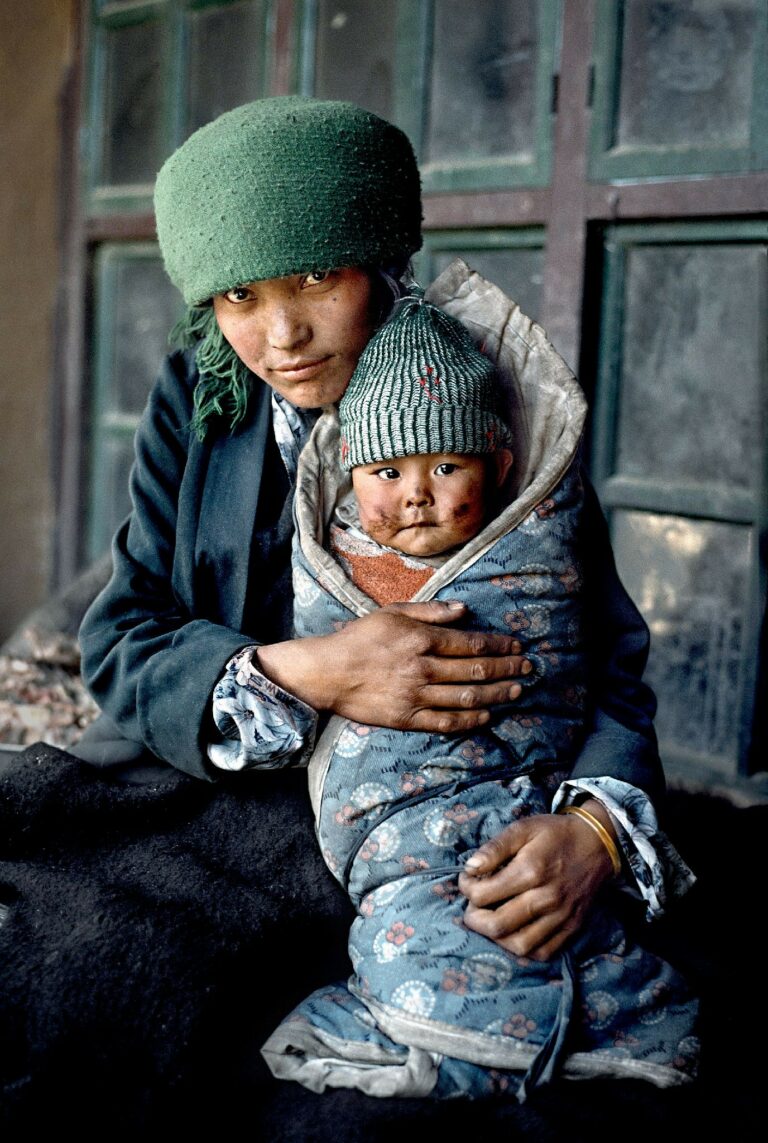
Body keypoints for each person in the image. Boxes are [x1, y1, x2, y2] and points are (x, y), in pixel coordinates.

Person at [77, 96, 675, 1015]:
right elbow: (124, 637)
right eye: (240, 295)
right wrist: (311, 671)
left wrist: (593, 831)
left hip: (453, 810)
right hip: (226, 787)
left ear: (385, 260)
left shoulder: (485, 398)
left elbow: (610, 660)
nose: (281, 336)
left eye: (316, 276)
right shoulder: (206, 395)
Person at [257, 291, 698, 1098]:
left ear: (498, 469)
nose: (416, 493)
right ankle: (464, 1031)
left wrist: (596, 824)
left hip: (524, 782)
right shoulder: (336, 541)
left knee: (533, 902)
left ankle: (504, 1032)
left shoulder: (539, 530)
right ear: (351, 472)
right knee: (416, 923)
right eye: (388, 472)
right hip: (398, 816)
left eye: (446, 466)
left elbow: (600, 672)